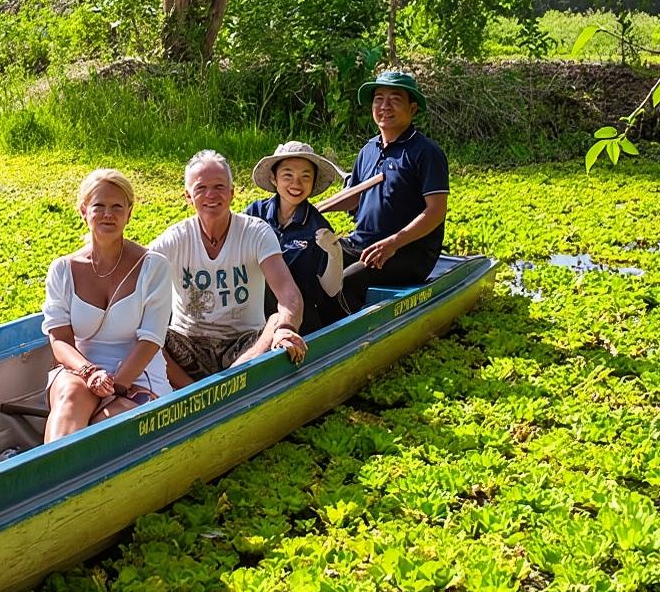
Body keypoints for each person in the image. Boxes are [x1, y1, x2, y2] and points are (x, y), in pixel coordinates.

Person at [149, 150, 308, 388]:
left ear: (232, 193)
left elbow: (288, 293)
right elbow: (135, 272)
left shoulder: (256, 232)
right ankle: (188, 392)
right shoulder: (175, 238)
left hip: (244, 344)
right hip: (188, 345)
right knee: (149, 334)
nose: (211, 195)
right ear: (188, 196)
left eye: (219, 186)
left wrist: (286, 327)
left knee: (275, 322)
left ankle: (233, 383)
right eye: (201, 188)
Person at [41, 169, 174, 442]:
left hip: (139, 375)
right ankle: (51, 474)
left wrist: (118, 385)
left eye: (116, 207)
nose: (108, 215)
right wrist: (89, 372)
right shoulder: (63, 269)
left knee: (106, 428)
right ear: (83, 211)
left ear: (129, 212)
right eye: (99, 206)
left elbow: (151, 340)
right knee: (69, 399)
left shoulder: (154, 266)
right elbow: (60, 339)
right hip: (80, 370)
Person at [325, 71, 448, 311]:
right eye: (379, 99)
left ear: (412, 109)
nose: (385, 106)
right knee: (314, 262)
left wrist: (393, 242)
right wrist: (311, 210)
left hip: (407, 251)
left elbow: (436, 211)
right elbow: (354, 199)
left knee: (345, 282)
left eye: (395, 99)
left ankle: (353, 338)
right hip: (363, 243)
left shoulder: (426, 152)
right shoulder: (368, 150)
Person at [244, 141, 345, 334]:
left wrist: (334, 253)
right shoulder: (255, 213)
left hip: (300, 319)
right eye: (288, 175)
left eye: (305, 177)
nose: (296, 184)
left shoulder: (318, 227)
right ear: (274, 178)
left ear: (314, 181)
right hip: (253, 312)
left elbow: (332, 290)